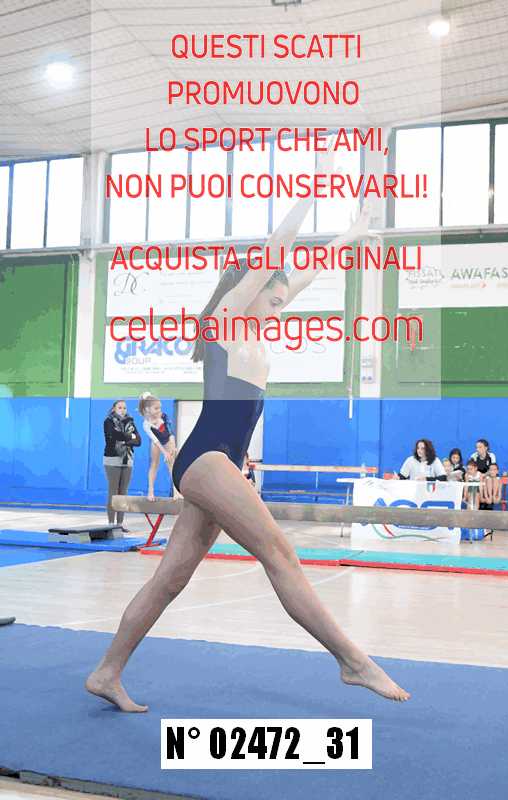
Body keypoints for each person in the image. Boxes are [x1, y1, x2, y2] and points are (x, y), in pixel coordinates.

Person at [86, 156, 409, 711]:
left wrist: (355, 231)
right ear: (248, 290)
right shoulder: (226, 322)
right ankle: (353, 662)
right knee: (279, 553)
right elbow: (275, 253)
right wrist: (312, 189)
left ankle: (106, 671)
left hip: (219, 463)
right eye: (274, 299)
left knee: (169, 579)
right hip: (206, 458)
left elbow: (310, 269)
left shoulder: (257, 327)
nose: (280, 309)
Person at [103, 400, 141, 528]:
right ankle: (110, 523)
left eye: (124, 408)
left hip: (127, 460)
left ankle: (119, 524)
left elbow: (138, 441)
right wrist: (130, 437)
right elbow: (113, 436)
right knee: (113, 492)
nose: (123, 410)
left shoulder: (130, 422)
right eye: (120, 407)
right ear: (114, 409)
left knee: (123, 493)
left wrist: (126, 440)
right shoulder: (108, 421)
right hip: (112, 460)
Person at [139, 392, 179, 501]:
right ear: (147, 409)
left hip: (168, 441)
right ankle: (150, 491)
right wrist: (164, 452)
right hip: (156, 443)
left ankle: (176, 492)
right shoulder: (146, 424)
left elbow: (170, 433)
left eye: (160, 408)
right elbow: (155, 440)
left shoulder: (164, 416)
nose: (159, 410)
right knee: (154, 465)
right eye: (156, 408)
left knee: (172, 466)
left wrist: (173, 447)